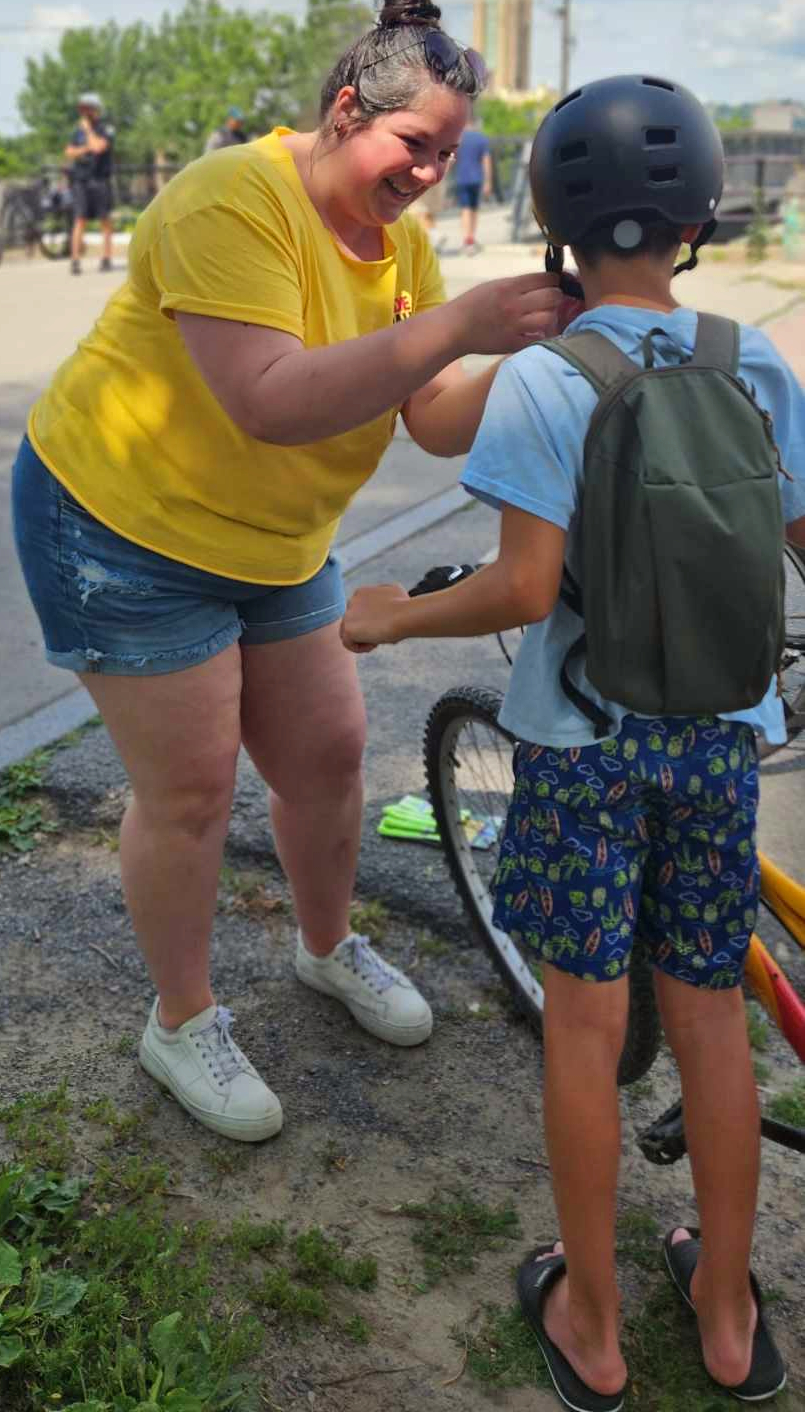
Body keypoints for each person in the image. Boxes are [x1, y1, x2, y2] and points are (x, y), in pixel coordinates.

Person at [12, 0, 564, 1146]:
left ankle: (326, 949)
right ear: (349, 111)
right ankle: (182, 1017)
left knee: (328, 751)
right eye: (417, 143)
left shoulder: (398, 245)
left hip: (272, 540)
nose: (429, 174)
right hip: (122, 525)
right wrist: (462, 323)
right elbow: (270, 399)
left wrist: (547, 368)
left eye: (450, 156)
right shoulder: (231, 199)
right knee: (195, 787)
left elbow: (432, 412)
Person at [342, 73, 805, 1411]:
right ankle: (726, 1312)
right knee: (712, 1015)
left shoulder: (546, 379)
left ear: (554, 219)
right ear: (700, 218)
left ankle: (592, 1325)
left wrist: (392, 619)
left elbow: (525, 590)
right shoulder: (754, 357)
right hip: (721, 744)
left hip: (581, 753)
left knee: (586, 1027)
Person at [65, 92, 115, 275]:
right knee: (79, 218)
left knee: (105, 220)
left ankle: (107, 257)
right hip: (81, 180)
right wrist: (84, 147)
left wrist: (87, 133)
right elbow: (69, 152)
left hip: (100, 180)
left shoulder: (106, 128)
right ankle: (75, 260)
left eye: (88, 109)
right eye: (83, 109)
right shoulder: (77, 130)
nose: (85, 113)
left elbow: (99, 147)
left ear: (96, 110)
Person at [453, 108, 493, 252]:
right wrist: (488, 182)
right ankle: (472, 238)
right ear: (474, 122)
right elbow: (486, 161)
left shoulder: (458, 138)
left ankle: (466, 239)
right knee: (474, 209)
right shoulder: (481, 138)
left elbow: (451, 158)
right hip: (476, 178)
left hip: (461, 178)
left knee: (465, 208)